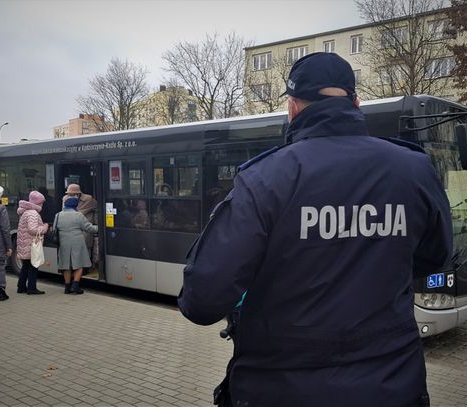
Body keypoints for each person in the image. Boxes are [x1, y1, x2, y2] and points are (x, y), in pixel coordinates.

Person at [177, 52, 452, 407]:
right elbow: (435, 257)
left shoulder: (265, 179)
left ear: (292, 107)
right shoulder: (414, 169)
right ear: (356, 102)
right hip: (393, 385)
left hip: (281, 388)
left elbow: (201, 300)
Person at [54, 197, 98, 294]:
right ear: (75, 206)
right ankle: (75, 286)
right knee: (79, 264)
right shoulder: (78, 215)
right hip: (77, 242)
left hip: (63, 242)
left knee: (66, 265)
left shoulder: (58, 215)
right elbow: (89, 228)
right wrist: (100, 227)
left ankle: (67, 287)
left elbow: (54, 229)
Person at [16, 190, 49, 295]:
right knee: (33, 266)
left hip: (25, 243)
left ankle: (21, 287)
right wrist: (44, 227)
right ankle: (31, 288)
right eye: (41, 202)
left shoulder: (25, 212)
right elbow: (32, 229)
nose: (42, 204)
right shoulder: (33, 213)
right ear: (37, 203)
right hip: (31, 244)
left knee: (25, 266)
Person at [61, 184, 97, 265]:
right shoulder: (65, 199)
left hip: (85, 226)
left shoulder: (88, 199)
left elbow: (97, 207)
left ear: (78, 194)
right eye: (69, 194)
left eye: (72, 194)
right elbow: (64, 212)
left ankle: (86, 266)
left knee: (85, 247)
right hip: (71, 227)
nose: (70, 196)